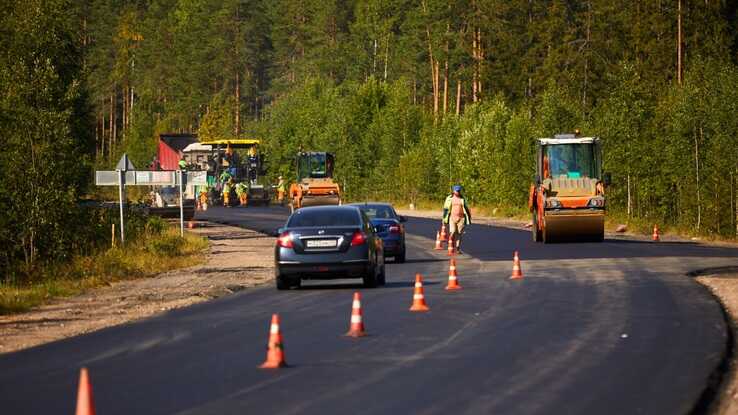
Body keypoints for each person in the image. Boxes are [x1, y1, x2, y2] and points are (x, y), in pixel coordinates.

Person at [442, 184, 471, 253]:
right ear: (453, 191)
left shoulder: (463, 198)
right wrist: (444, 219)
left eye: (459, 191)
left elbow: (467, 208)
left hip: (461, 218)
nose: (458, 192)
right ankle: (451, 243)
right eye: (456, 191)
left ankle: (457, 248)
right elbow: (446, 209)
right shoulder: (449, 198)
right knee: (453, 231)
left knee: (459, 233)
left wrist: (468, 217)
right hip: (452, 217)